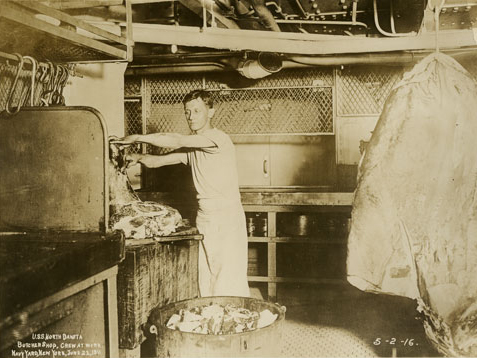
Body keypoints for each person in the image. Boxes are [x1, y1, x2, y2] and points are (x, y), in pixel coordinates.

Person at [115, 89, 250, 298]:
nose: (191, 116)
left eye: (197, 111)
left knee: (227, 278)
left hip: (226, 217)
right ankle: (210, 324)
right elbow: (159, 161)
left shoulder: (217, 139)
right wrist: (137, 156)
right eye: (187, 111)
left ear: (211, 112)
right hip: (205, 217)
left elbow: (176, 140)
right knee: (206, 277)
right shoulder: (193, 148)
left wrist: (137, 137)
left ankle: (234, 326)